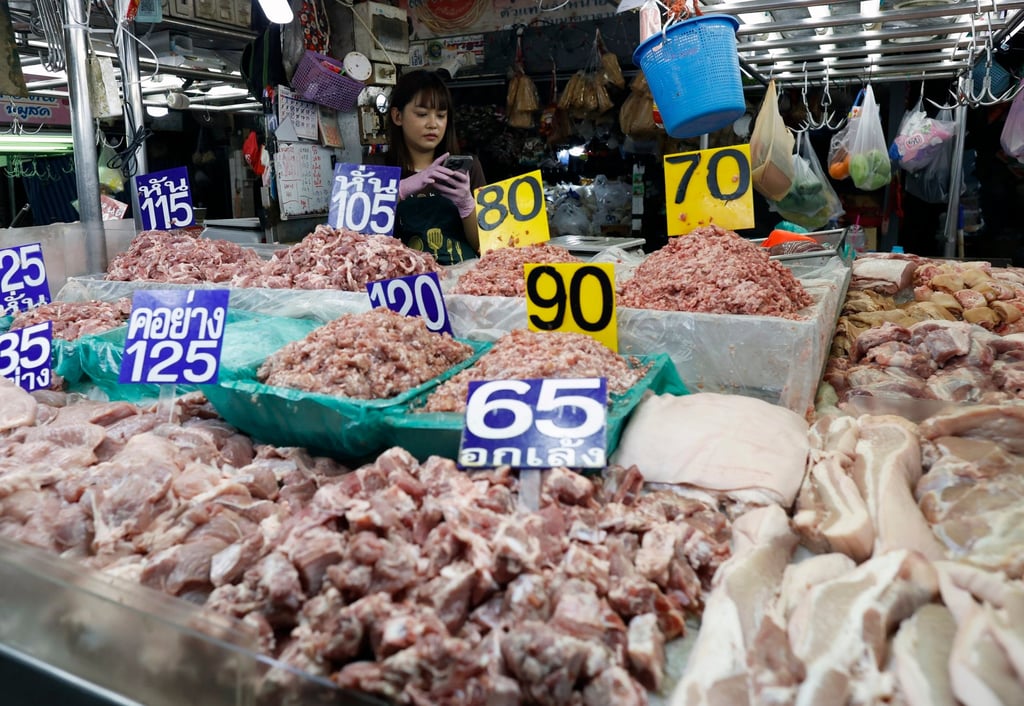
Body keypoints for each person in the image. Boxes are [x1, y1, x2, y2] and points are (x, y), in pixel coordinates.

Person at [384, 69, 485, 265]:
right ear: (397, 116)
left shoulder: (468, 167)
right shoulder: (378, 168)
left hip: (463, 283)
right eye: (422, 114)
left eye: (441, 115)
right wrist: (401, 189)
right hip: (405, 281)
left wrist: (467, 205)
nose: (433, 124)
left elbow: (487, 246)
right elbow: (357, 235)